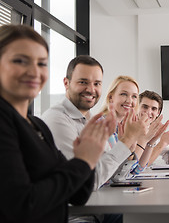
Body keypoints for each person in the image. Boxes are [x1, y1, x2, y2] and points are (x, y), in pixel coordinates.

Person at [0, 24, 115, 223]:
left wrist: (89, 152)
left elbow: (78, 193)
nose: (34, 71)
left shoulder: (36, 125)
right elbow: (21, 206)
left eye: (41, 63)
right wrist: (84, 161)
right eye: (20, 61)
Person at [42, 58, 146, 191]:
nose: (91, 89)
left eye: (97, 84)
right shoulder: (58, 120)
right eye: (83, 82)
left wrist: (128, 148)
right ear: (66, 83)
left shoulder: (89, 120)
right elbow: (88, 181)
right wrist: (127, 141)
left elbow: (112, 175)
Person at [135, 90, 169, 165]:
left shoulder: (153, 130)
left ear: (158, 113)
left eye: (154, 109)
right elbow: (139, 165)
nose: (149, 112)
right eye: (145, 107)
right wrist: (163, 143)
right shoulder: (129, 129)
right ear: (137, 107)